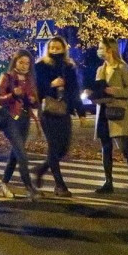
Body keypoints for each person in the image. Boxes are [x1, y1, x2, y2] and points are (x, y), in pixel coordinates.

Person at [87, 38, 128, 195]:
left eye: (101, 47)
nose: (99, 50)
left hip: (119, 112)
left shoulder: (121, 67)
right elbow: (100, 90)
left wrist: (116, 91)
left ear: (110, 49)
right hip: (103, 111)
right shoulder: (100, 69)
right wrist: (92, 94)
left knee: (125, 148)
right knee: (106, 148)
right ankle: (108, 182)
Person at [34, 36, 86, 197]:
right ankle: (60, 186)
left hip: (65, 110)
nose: (55, 50)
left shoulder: (69, 67)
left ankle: (41, 169)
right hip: (48, 111)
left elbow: (75, 91)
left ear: (64, 49)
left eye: (58, 48)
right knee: (53, 145)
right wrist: (51, 85)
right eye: (52, 48)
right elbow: (37, 88)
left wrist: (81, 112)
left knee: (63, 147)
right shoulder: (40, 66)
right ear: (47, 49)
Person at [0, 50, 40, 200]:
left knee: (15, 154)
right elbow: (0, 99)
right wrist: (13, 94)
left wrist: (34, 101)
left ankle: (3, 184)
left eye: (27, 63)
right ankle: (29, 187)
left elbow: (34, 101)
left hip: (24, 119)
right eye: (21, 62)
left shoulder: (30, 79)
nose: (24, 65)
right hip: (10, 118)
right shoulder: (7, 77)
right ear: (15, 62)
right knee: (22, 154)